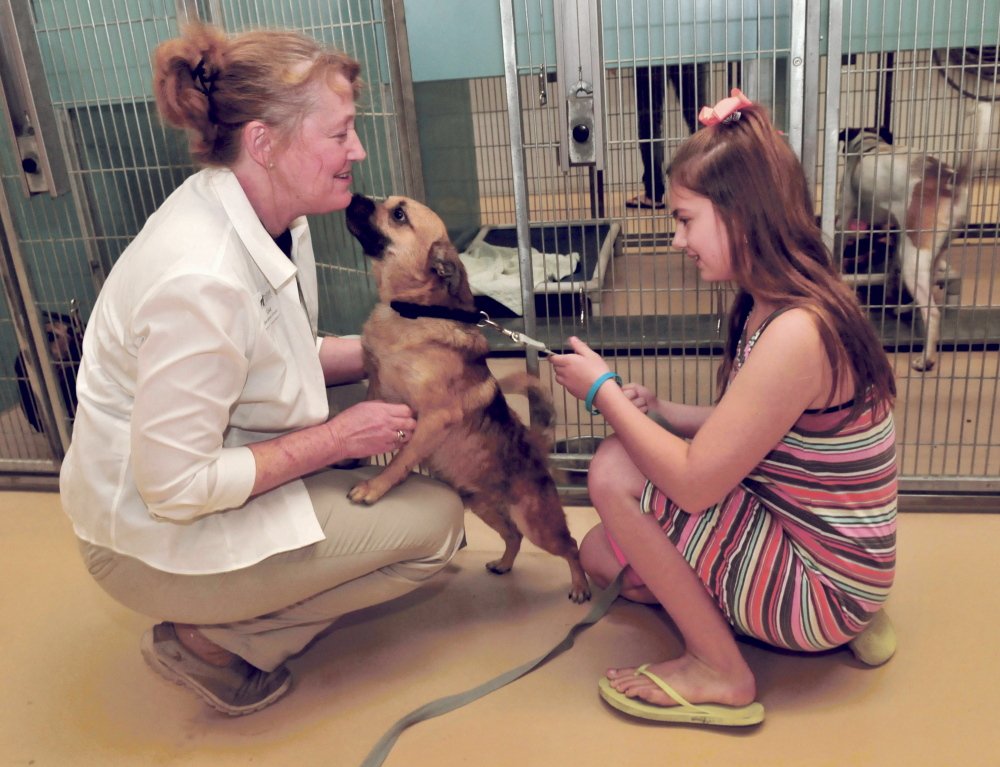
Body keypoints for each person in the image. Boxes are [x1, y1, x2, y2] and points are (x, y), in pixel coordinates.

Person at [58, 23, 466, 716]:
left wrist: (421, 344)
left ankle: (231, 615)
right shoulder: (201, 276)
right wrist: (337, 439)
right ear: (264, 142)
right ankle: (214, 640)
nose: (358, 150)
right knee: (436, 527)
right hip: (145, 536)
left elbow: (277, 352)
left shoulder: (278, 218)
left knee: (392, 489)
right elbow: (177, 487)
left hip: (204, 481)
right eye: (339, 133)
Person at [551, 90, 897, 726]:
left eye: (686, 219)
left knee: (614, 468)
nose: (677, 239)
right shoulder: (778, 300)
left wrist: (603, 393)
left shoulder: (796, 332)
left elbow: (694, 482)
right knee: (602, 554)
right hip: (832, 552)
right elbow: (757, 427)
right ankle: (833, 616)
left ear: (741, 214)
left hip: (823, 586)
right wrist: (663, 410)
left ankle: (721, 669)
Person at [625, 62, 712, 211]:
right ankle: (708, 188)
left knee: (650, 123)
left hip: (649, 54)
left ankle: (653, 194)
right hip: (690, 51)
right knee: (699, 119)